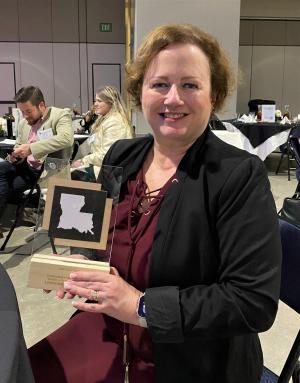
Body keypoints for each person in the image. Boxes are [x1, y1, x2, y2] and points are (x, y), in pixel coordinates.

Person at [28, 24, 282, 383]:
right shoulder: (122, 155)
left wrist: (139, 306)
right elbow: (95, 240)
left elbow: (252, 302)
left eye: (190, 85)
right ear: (140, 93)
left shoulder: (237, 176)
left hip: (187, 356)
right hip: (108, 332)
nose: (172, 98)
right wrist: (82, 260)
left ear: (215, 96)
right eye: (159, 84)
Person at [0, 86, 74, 237]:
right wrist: (15, 155)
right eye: (22, 112)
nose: (25, 116)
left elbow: (66, 138)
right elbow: (19, 145)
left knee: (5, 185)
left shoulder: (60, 115)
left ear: (41, 105)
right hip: (25, 167)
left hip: (46, 171)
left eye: (28, 111)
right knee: (2, 170)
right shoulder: (23, 123)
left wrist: (32, 148)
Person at [71, 85, 134, 180]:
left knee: (70, 175)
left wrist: (83, 160)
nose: (95, 104)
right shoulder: (105, 119)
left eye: (99, 101)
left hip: (110, 173)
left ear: (111, 102)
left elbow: (107, 155)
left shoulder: (115, 122)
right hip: (103, 167)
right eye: (95, 101)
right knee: (69, 171)